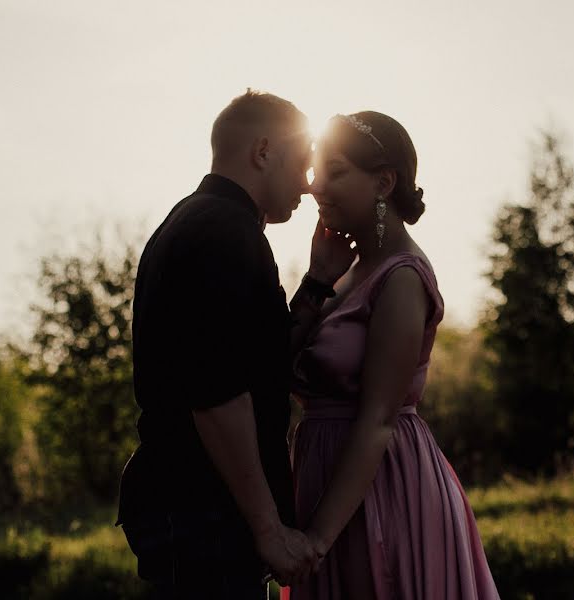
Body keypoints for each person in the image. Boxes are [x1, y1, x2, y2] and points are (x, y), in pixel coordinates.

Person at [116, 90, 354, 599]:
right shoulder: (222, 234)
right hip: (201, 510)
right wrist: (268, 529)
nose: (310, 185)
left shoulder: (207, 223)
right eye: (303, 163)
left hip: (201, 510)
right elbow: (217, 396)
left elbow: (256, 365)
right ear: (263, 151)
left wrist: (315, 285)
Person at [283, 112, 501, 599]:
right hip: (325, 482)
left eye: (335, 171)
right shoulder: (342, 271)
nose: (316, 187)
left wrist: (317, 537)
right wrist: (316, 281)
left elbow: (379, 418)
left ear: (383, 182)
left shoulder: (402, 277)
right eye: (316, 171)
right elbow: (275, 368)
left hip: (381, 491)